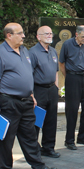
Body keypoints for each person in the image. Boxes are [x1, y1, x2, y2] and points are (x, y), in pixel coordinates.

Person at [0, 23, 57, 169]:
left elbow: (27, 75)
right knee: (6, 138)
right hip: (8, 101)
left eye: (23, 33)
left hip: (26, 101)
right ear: (9, 35)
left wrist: (31, 94)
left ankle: (38, 166)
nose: (24, 36)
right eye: (20, 33)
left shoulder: (24, 51)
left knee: (30, 135)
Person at [59, 25, 84, 150]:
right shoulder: (67, 44)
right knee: (72, 109)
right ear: (76, 34)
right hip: (73, 78)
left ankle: (83, 138)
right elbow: (61, 63)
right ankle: (69, 140)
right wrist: (69, 76)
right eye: (83, 37)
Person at [29, 26, 60, 158]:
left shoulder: (53, 51)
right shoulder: (32, 52)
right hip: (38, 90)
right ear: (38, 36)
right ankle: (34, 150)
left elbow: (56, 71)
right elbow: (28, 74)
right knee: (36, 121)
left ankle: (48, 148)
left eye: (51, 33)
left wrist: (56, 87)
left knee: (51, 120)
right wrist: (31, 94)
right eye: (46, 33)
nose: (49, 35)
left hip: (51, 89)